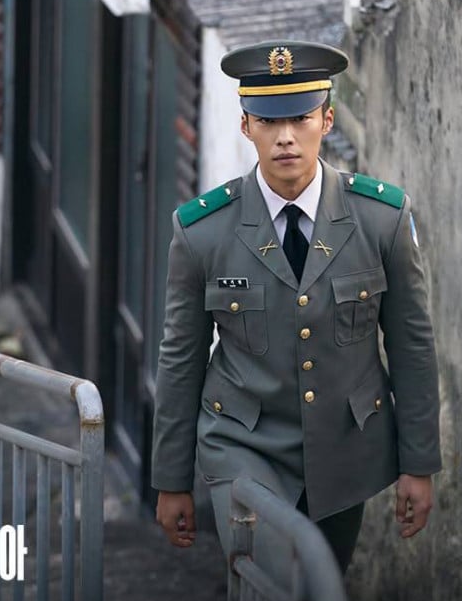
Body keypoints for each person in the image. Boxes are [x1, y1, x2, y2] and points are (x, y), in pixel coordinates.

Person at [151, 40, 441, 573]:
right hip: (242, 444)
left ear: (326, 120)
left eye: (301, 118)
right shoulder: (202, 231)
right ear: (246, 126)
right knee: (269, 583)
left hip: (345, 448)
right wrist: (171, 480)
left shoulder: (382, 219)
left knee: (322, 591)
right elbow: (180, 358)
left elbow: (412, 346)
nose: (285, 136)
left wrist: (418, 464)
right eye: (267, 120)